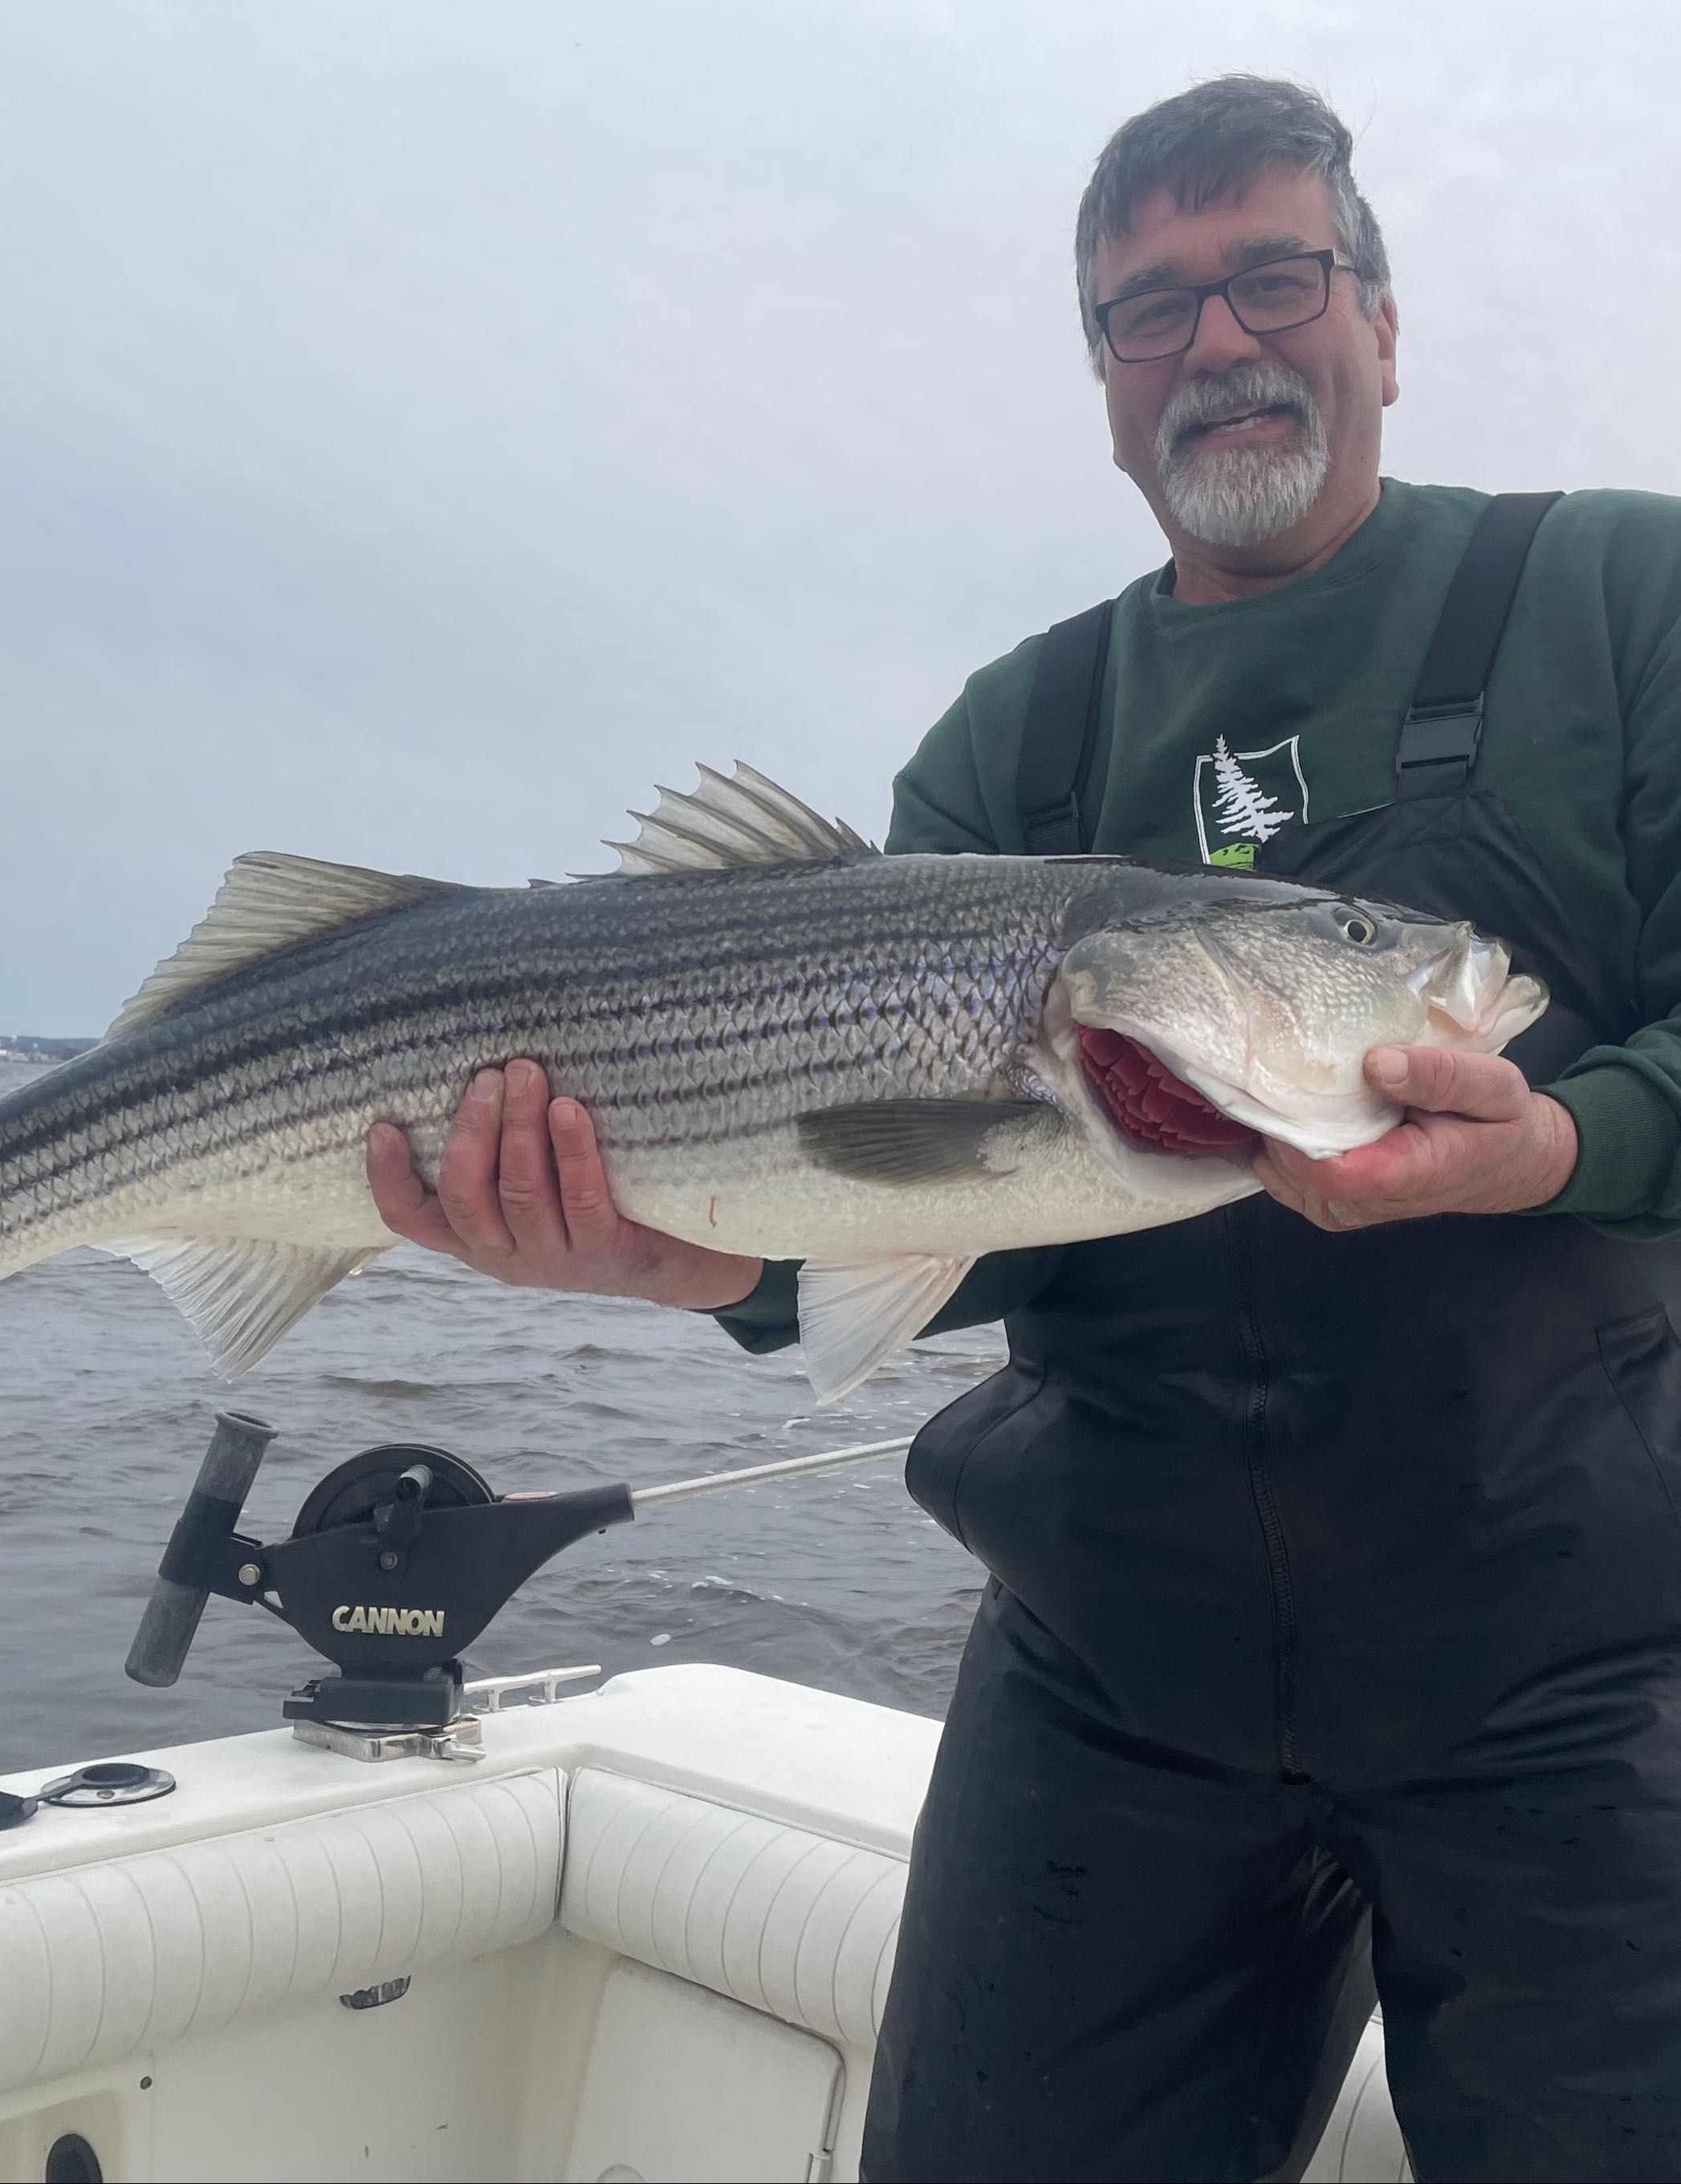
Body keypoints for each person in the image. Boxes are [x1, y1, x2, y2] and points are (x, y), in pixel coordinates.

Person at [367, 75, 1681, 2184]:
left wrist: (1566, 1138)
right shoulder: (1010, 739)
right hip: (1114, 1675)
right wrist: (703, 1259)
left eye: (1274, 274)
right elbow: (926, 1212)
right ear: (1100, 382)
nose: (1222, 341)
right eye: (1150, 310)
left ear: (1386, 322)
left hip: (1578, 1665)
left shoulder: (1617, 597)